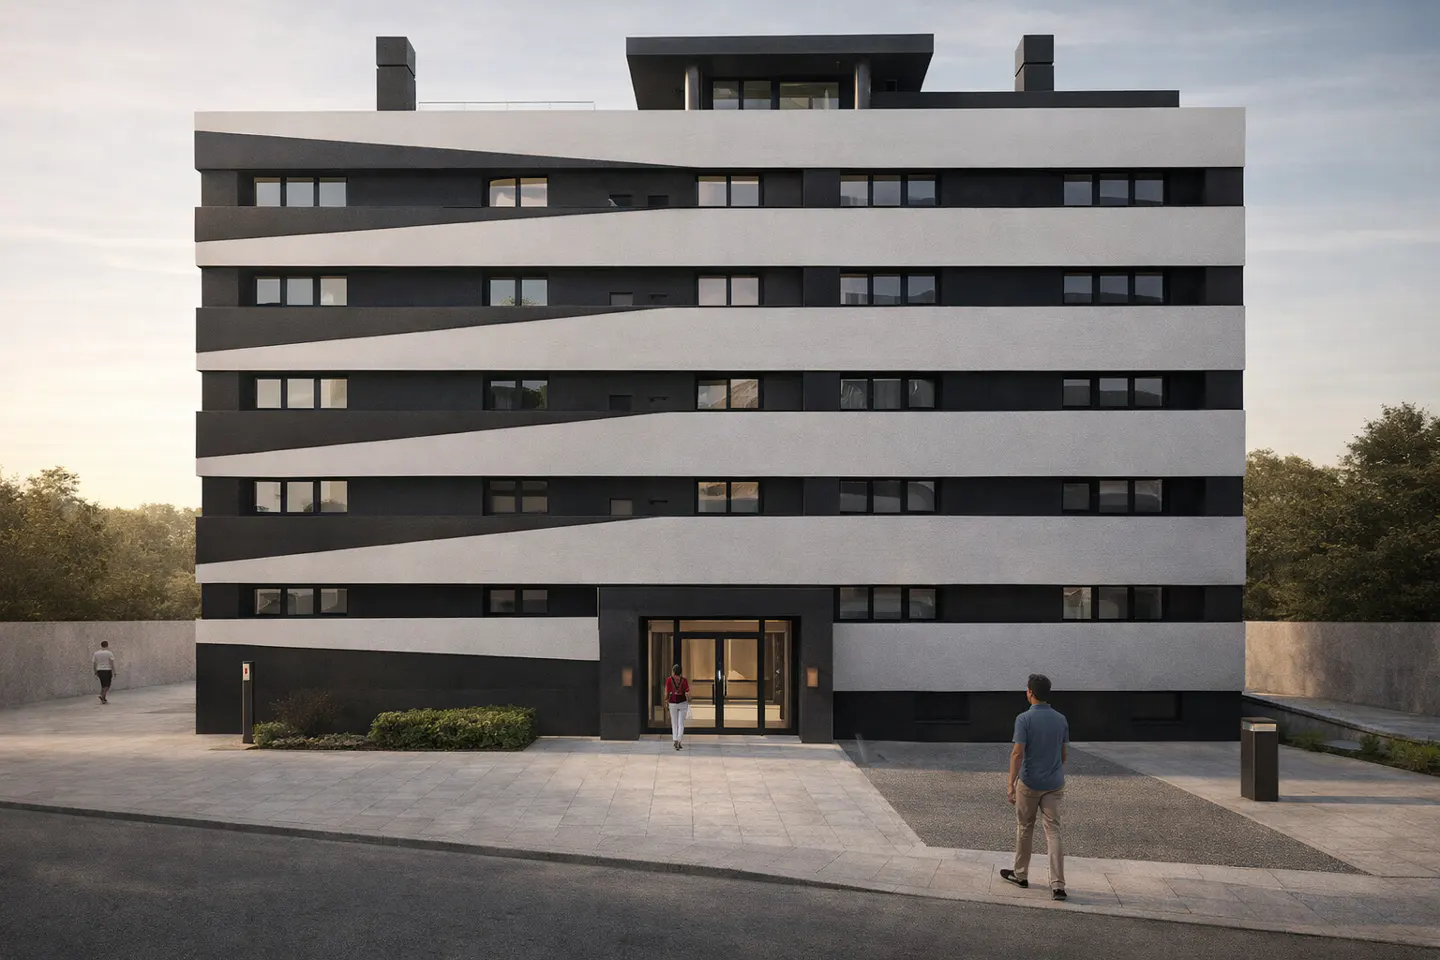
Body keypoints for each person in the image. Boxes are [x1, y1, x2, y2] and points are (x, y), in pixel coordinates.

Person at [1000, 673, 1069, 901]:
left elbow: (1017, 753)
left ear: (1030, 692)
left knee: (1025, 827)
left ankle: (1021, 874)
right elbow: (1063, 756)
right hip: (1054, 784)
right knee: (1054, 832)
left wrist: (1010, 784)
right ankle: (1058, 885)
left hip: (1029, 784)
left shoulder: (1024, 719)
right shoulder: (1061, 719)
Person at [665, 664, 689, 750]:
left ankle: (675, 739)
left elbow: (667, 692)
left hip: (672, 702)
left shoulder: (669, 680)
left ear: (673, 671)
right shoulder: (684, 680)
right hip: (682, 702)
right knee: (681, 723)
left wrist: (666, 700)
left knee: (674, 722)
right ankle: (679, 740)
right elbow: (687, 692)